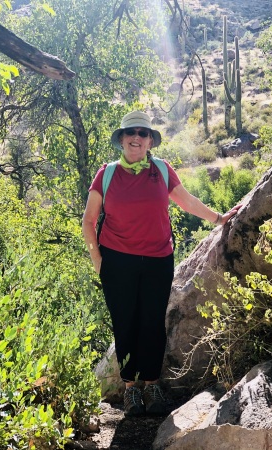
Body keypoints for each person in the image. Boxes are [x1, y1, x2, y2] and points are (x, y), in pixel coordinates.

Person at [82, 110, 241, 417]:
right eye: (131, 133)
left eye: (143, 133)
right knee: (125, 322)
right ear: (122, 139)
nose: (137, 138)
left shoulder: (163, 170)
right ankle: (131, 389)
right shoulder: (107, 174)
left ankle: (152, 384)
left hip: (157, 259)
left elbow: (187, 201)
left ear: (150, 140)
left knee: (153, 322)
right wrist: (99, 262)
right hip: (117, 260)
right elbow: (89, 222)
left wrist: (218, 219)